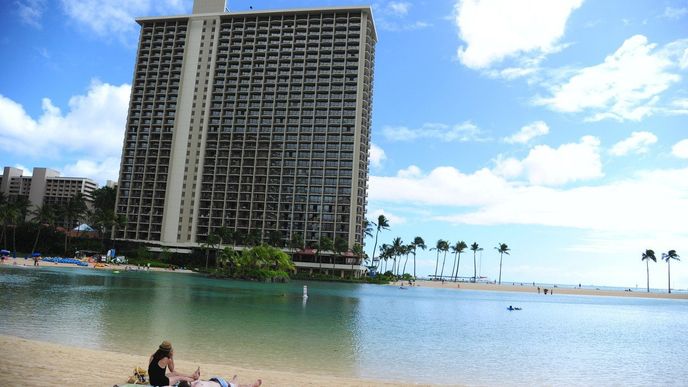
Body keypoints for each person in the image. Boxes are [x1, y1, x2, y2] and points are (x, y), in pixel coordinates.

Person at [179, 375, 262, 387]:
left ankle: (234, 379)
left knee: (234, 383)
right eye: (190, 383)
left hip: (215, 380)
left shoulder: (195, 384)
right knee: (235, 384)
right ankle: (251, 385)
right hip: (221, 384)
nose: (191, 383)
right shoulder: (196, 385)